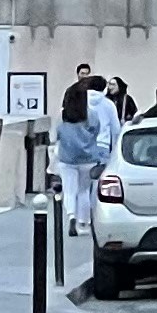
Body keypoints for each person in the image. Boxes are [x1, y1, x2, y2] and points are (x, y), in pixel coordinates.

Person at [55, 69, 118, 235]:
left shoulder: (63, 115)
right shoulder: (93, 113)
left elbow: (55, 134)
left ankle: (71, 217)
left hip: (67, 157)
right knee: (84, 191)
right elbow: (99, 130)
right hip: (89, 156)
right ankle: (84, 222)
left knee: (69, 190)